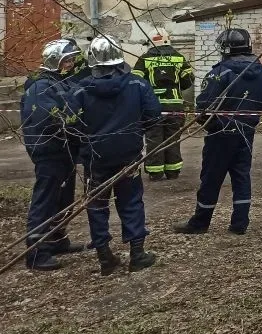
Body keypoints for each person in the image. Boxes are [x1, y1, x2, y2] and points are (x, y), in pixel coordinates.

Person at [72, 36, 162, 275]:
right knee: (131, 202)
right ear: (119, 57)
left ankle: (105, 257)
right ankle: (137, 254)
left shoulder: (80, 89)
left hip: (95, 158)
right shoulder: (137, 85)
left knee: (97, 204)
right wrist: (134, 131)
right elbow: (153, 115)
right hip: (128, 154)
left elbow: (71, 125)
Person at [173, 27, 262, 236]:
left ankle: (200, 223)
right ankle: (240, 223)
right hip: (246, 131)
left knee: (211, 177)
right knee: (241, 175)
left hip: (221, 133)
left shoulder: (220, 73)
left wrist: (211, 125)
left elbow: (204, 107)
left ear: (227, 48)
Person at [20, 39, 87, 271]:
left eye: (71, 59)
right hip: (49, 150)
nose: (70, 63)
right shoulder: (40, 87)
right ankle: (37, 252)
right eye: (66, 59)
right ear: (54, 61)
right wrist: (73, 125)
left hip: (65, 149)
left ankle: (57, 240)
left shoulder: (59, 82)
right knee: (46, 200)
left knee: (63, 198)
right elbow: (49, 119)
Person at [133, 27, 194, 181]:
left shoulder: (144, 59)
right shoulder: (179, 58)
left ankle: (155, 172)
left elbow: (135, 82)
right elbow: (188, 81)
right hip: (175, 106)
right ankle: (173, 171)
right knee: (173, 137)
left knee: (154, 138)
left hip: (153, 106)